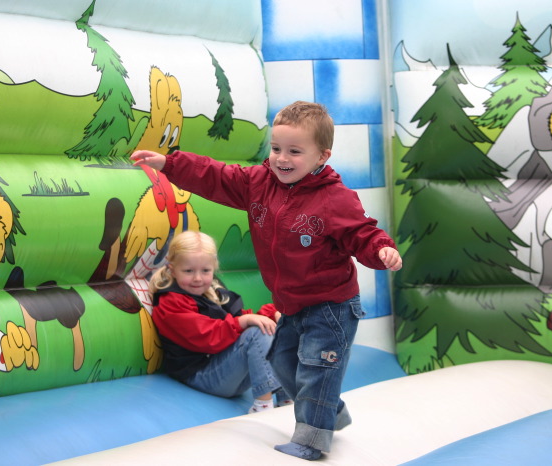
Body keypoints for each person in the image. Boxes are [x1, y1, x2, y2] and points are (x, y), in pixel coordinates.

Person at [132, 101, 402, 461]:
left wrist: (381, 250)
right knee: (282, 363)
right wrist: (171, 164)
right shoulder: (258, 183)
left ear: (322, 156)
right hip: (291, 303)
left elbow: (362, 233)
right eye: (276, 148)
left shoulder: (334, 199)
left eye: (294, 152)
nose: (281, 159)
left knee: (317, 368)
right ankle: (329, 411)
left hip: (331, 306)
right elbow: (215, 175)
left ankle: (311, 441)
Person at [148, 230, 289, 414]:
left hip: (226, 372)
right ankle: (263, 407)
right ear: (172, 269)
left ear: (213, 268)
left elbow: (239, 319)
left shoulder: (212, 290)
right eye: (188, 271)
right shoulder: (171, 303)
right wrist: (243, 322)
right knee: (256, 334)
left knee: (280, 327)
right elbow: (207, 336)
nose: (198, 278)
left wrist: (272, 315)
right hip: (201, 375)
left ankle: (287, 400)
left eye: (205, 271)